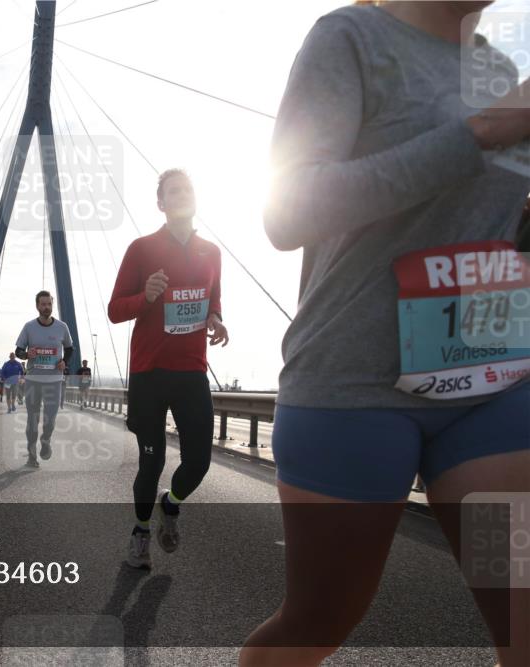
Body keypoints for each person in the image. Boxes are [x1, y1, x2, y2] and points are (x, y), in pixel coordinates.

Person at [239, 3, 530, 666]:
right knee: (317, 624)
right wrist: (481, 132)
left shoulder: (500, 70)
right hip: (355, 383)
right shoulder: (350, 37)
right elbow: (287, 213)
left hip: (489, 381)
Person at [108, 168, 228, 570]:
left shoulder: (211, 252)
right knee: (152, 461)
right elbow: (115, 310)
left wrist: (216, 318)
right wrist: (145, 297)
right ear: (161, 203)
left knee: (199, 463)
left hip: (192, 372)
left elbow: (214, 298)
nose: (182, 195)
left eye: (187, 189)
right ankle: (141, 532)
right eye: (174, 191)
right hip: (150, 373)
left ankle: (170, 503)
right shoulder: (141, 249)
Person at [15, 290, 75, 468]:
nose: (46, 307)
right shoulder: (29, 327)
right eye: (43, 304)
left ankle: (46, 439)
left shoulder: (62, 327)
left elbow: (69, 349)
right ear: (37, 306)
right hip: (33, 381)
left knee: (50, 420)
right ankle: (31, 456)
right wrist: (27, 354)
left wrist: (64, 362)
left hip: (54, 382)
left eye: (49, 304)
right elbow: (18, 350)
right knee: (32, 420)